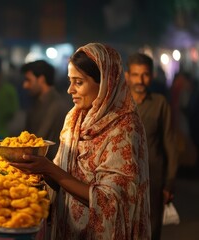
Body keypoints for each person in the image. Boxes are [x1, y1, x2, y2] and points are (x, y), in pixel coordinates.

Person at [10, 43, 151, 239]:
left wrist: (49, 168)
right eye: (69, 81)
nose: (70, 90)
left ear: (105, 84)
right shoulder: (74, 118)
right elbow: (62, 176)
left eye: (78, 82)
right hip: (68, 228)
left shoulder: (125, 127)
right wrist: (36, 168)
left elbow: (109, 200)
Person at [125, 52, 178, 240]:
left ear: (151, 76)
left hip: (153, 178)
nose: (140, 80)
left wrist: (169, 182)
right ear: (127, 76)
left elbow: (169, 143)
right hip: (123, 178)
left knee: (151, 229)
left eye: (145, 75)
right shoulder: (120, 103)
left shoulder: (160, 103)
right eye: (135, 74)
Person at [20, 60, 71, 160]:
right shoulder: (38, 102)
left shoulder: (56, 106)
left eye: (28, 80)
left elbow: (38, 142)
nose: (25, 85)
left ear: (41, 79)